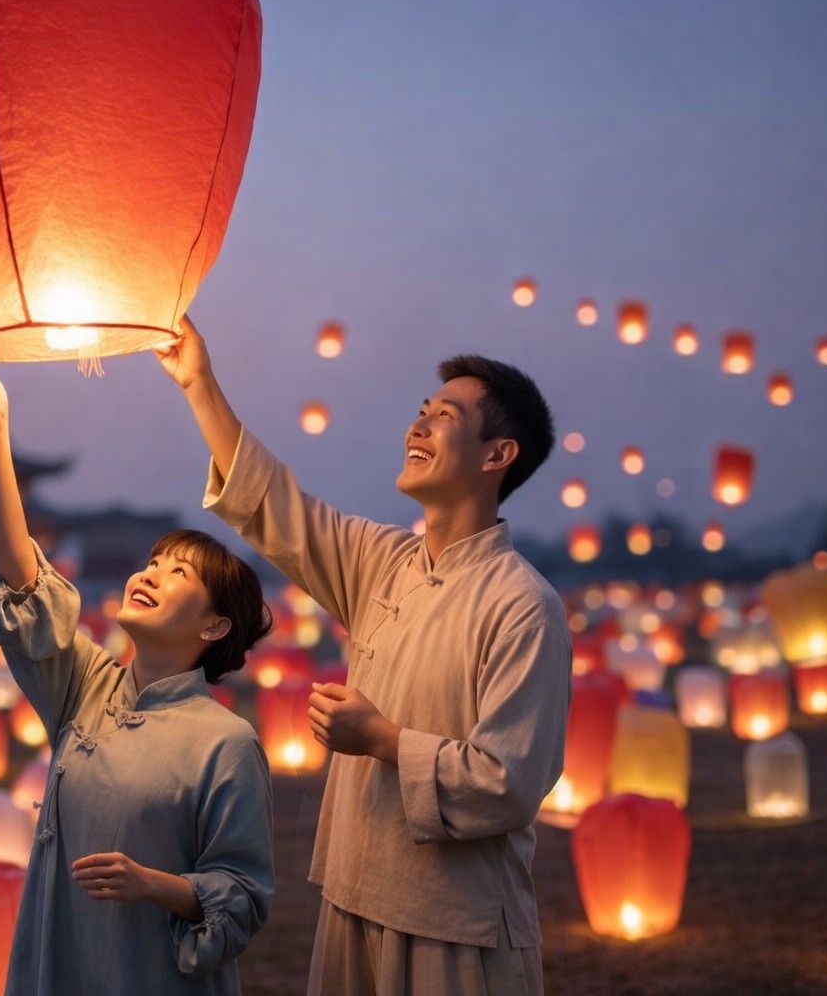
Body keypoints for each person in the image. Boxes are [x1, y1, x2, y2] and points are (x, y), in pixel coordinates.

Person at [156, 317, 571, 996]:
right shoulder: (385, 562)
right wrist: (200, 384)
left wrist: (381, 740)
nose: (418, 427)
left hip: (457, 922)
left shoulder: (523, 603)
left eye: (444, 417)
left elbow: (511, 783)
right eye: (420, 413)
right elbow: (275, 506)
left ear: (498, 455)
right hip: (353, 889)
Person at [0, 328, 276, 996]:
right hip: (62, 964)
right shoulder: (86, 688)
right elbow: (22, 582)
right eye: (152, 562)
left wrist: (154, 885)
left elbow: (244, 897)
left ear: (215, 626)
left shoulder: (226, 743)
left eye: (177, 572)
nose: (150, 574)